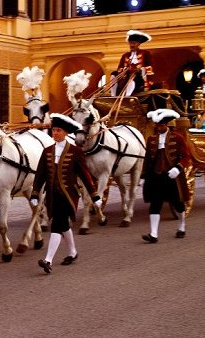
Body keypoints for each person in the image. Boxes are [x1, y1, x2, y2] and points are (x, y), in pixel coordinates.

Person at [29, 113, 101, 274]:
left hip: (69, 195)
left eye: (58, 130)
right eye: (53, 130)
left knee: (56, 225)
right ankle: (73, 252)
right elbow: (40, 175)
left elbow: (85, 175)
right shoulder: (47, 151)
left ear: (66, 133)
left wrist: (95, 195)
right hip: (52, 196)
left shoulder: (75, 151)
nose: (55, 133)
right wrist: (34, 194)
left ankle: (48, 260)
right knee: (63, 224)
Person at [141, 109, 192, 243]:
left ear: (167, 125)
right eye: (157, 126)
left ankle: (182, 226)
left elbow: (186, 157)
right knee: (155, 204)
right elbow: (147, 159)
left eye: (162, 125)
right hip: (156, 176)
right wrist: (143, 176)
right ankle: (153, 234)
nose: (159, 128)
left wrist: (178, 168)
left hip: (172, 176)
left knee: (178, 204)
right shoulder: (151, 139)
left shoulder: (178, 138)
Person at [117, 30, 155, 95]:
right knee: (113, 74)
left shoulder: (145, 53)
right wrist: (124, 70)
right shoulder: (125, 55)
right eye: (130, 43)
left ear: (138, 44)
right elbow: (120, 68)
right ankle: (113, 94)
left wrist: (141, 70)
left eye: (134, 43)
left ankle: (128, 96)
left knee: (133, 77)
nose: (132, 45)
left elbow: (150, 67)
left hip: (140, 78)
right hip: (126, 77)